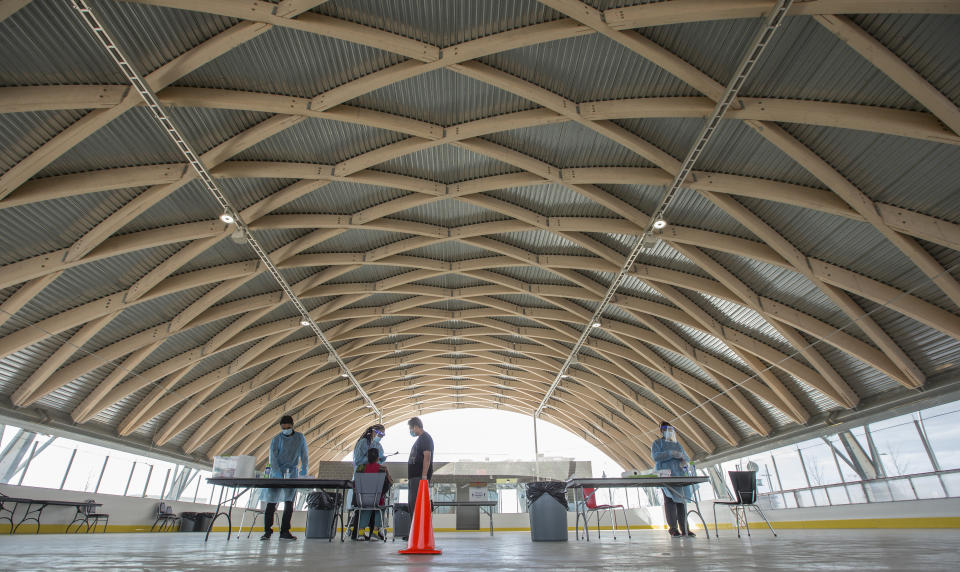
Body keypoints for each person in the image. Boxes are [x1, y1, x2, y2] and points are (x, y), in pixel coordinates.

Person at [260, 414, 308, 541]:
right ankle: (267, 531)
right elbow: (272, 457)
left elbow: (304, 454)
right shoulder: (276, 439)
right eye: (283, 428)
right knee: (271, 502)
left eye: (288, 427)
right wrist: (276, 473)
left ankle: (285, 531)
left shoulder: (300, 438)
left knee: (289, 502)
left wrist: (304, 469)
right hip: (277, 472)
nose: (286, 430)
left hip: (291, 472)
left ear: (292, 426)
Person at [651, 421, 696, 538]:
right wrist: (670, 453)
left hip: (679, 474)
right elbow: (656, 456)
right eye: (665, 429)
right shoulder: (657, 443)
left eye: (670, 429)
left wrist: (684, 462)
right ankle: (673, 529)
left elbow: (685, 456)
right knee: (670, 501)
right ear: (661, 431)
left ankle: (685, 528)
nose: (668, 431)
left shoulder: (677, 444)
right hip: (666, 474)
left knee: (681, 502)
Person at [347, 424, 385, 539]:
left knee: (366, 505)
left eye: (383, 435)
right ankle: (372, 530)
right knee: (374, 505)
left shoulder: (377, 445)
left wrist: (380, 460)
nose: (381, 436)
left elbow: (380, 457)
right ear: (373, 432)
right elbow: (358, 460)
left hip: (366, 484)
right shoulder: (363, 443)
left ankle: (361, 531)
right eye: (380, 434)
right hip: (364, 483)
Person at [356, 447, 393, 540]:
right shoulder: (382, 469)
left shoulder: (360, 468)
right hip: (377, 499)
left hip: (362, 499)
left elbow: (355, 483)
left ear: (367, 458)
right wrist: (387, 472)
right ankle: (375, 532)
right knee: (380, 507)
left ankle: (361, 533)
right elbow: (390, 483)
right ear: (378, 458)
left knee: (366, 508)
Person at [406, 416, 434, 519]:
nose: (410, 431)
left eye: (411, 428)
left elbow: (427, 457)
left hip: (419, 477)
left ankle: (417, 532)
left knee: (416, 505)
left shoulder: (425, 438)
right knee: (412, 504)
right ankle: (414, 531)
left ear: (416, 426)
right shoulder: (420, 439)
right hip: (414, 477)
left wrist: (424, 476)